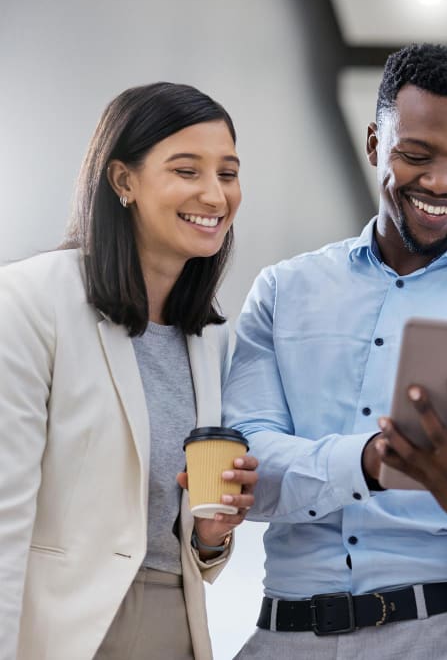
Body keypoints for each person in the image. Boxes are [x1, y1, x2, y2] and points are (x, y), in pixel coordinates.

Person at [223, 43, 447, 659]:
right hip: (282, 637)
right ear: (372, 144)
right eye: (415, 155)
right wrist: (367, 461)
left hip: (442, 638)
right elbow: (243, 465)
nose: (442, 183)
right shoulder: (286, 290)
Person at [0, 82, 259, 660]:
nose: (215, 195)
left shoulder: (211, 338)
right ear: (123, 181)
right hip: (60, 634)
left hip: (176, 627)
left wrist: (208, 538)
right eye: (187, 171)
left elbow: (182, 537)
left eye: (228, 172)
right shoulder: (29, 301)